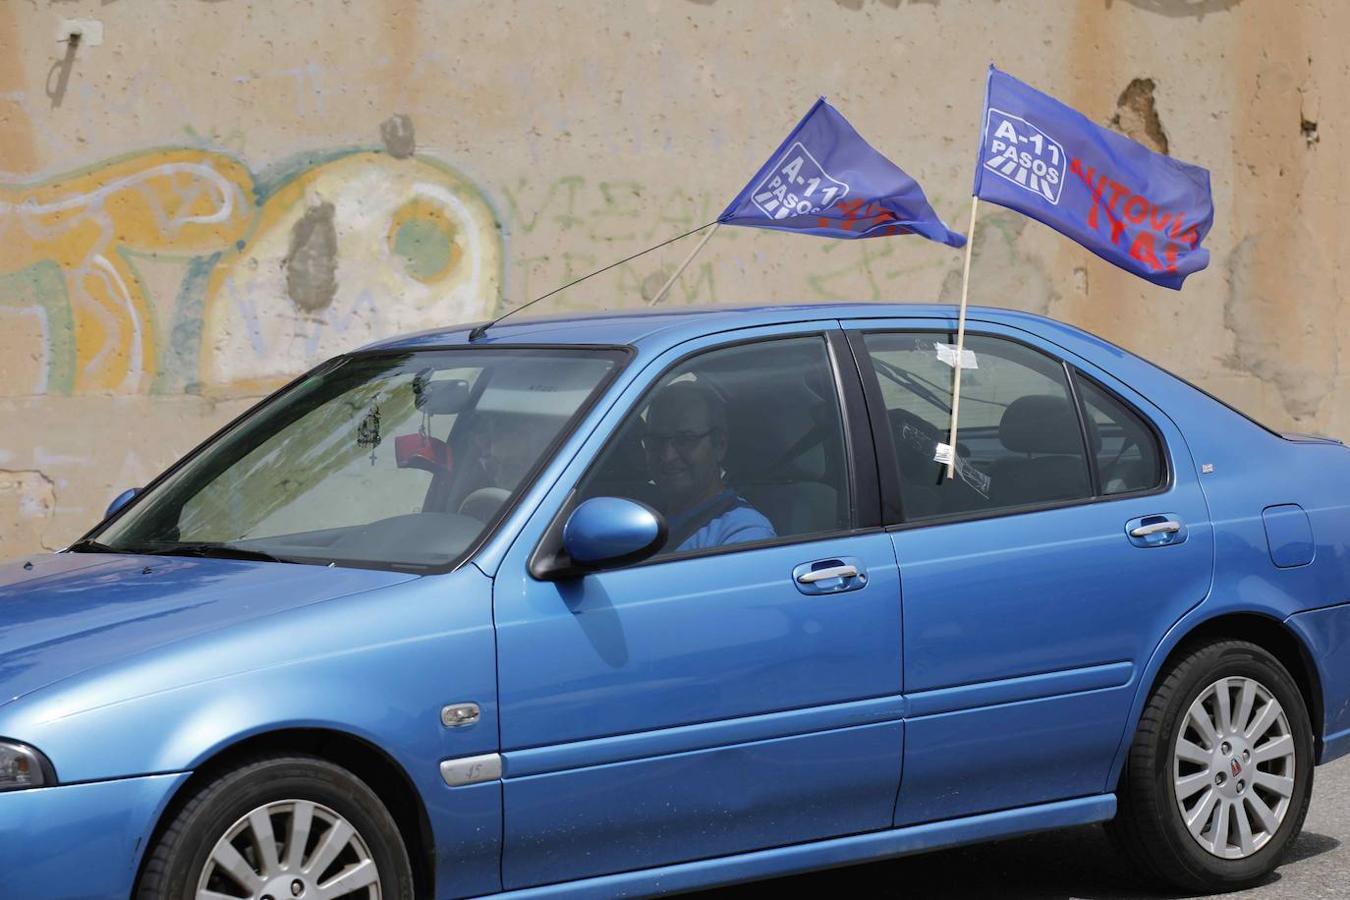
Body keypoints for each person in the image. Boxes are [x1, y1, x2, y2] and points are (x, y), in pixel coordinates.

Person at [640, 380, 775, 552]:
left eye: (686, 439)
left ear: (719, 445)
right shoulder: (639, 518)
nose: (667, 456)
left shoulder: (743, 532)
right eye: (656, 440)